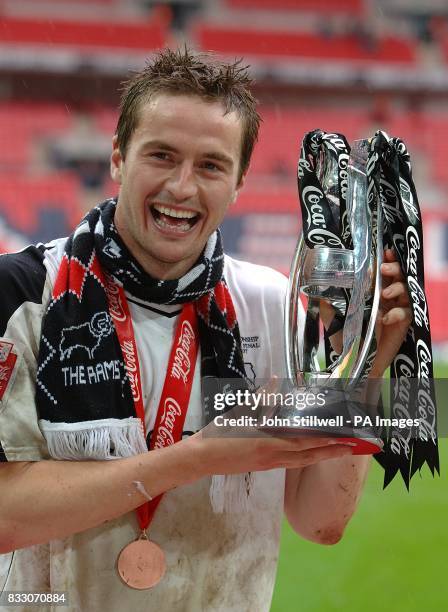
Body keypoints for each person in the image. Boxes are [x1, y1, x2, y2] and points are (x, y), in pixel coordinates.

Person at [0, 48, 411, 612]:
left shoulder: (278, 310)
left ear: (240, 181)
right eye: (162, 156)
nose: (182, 188)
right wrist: (200, 458)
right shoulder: (24, 296)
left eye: (211, 166)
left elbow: (320, 522)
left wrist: (359, 368)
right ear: (118, 158)